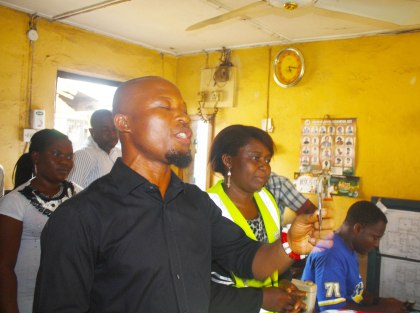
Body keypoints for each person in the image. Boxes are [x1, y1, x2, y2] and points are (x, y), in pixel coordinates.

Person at [34, 76, 333, 313]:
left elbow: (248, 259)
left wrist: (291, 244)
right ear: (123, 123)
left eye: (183, 109)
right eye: (165, 107)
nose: (183, 118)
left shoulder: (194, 203)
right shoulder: (80, 218)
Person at [207, 125, 307, 312]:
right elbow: (208, 282)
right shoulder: (209, 206)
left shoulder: (267, 199)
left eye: (267, 160)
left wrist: (283, 283)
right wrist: (261, 297)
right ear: (228, 160)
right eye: (255, 158)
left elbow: (274, 249)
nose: (265, 166)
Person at [0, 129, 81, 313]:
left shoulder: (80, 196)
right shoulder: (14, 202)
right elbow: (4, 267)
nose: (64, 161)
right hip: (28, 299)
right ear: (36, 157)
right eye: (56, 154)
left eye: (69, 156)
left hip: (69, 299)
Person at [302, 201, 408, 313]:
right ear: (358, 229)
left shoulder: (348, 248)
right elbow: (333, 310)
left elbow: (353, 291)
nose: (377, 244)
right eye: (375, 237)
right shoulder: (331, 255)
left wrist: (379, 301)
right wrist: (382, 310)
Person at [67, 109, 121, 188]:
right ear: (92, 132)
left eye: (114, 129)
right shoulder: (83, 155)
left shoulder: (119, 153)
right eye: (105, 130)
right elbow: (73, 193)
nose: (112, 134)